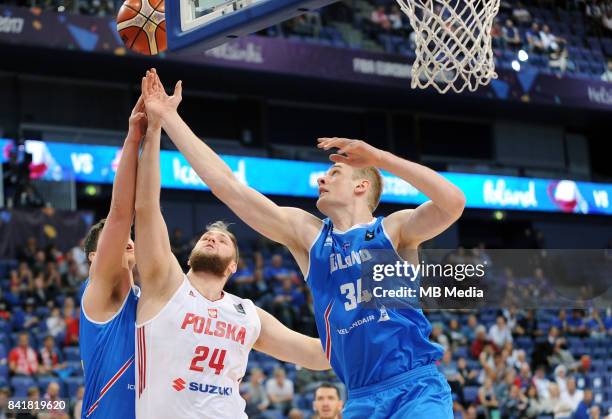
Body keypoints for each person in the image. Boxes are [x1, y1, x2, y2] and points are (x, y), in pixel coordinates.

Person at [147, 69, 463, 417]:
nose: (321, 178)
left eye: (334, 173)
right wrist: (169, 118)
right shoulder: (309, 235)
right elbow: (229, 189)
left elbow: (452, 203)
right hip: (360, 396)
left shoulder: (395, 230)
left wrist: (380, 159)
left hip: (415, 388)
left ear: (361, 186)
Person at [136, 70, 330, 418]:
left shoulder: (248, 314)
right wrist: (153, 131)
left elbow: (316, 356)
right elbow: (147, 208)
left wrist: (366, 329)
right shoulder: (164, 283)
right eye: (207, 236)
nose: (212, 236)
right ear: (190, 256)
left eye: (223, 239)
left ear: (233, 266)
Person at [79, 96, 147, 418]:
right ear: (95, 257)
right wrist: (134, 137)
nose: (126, 240)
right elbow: (121, 213)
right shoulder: (97, 292)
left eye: (127, 238)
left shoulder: (145, 298)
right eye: (117, 239)